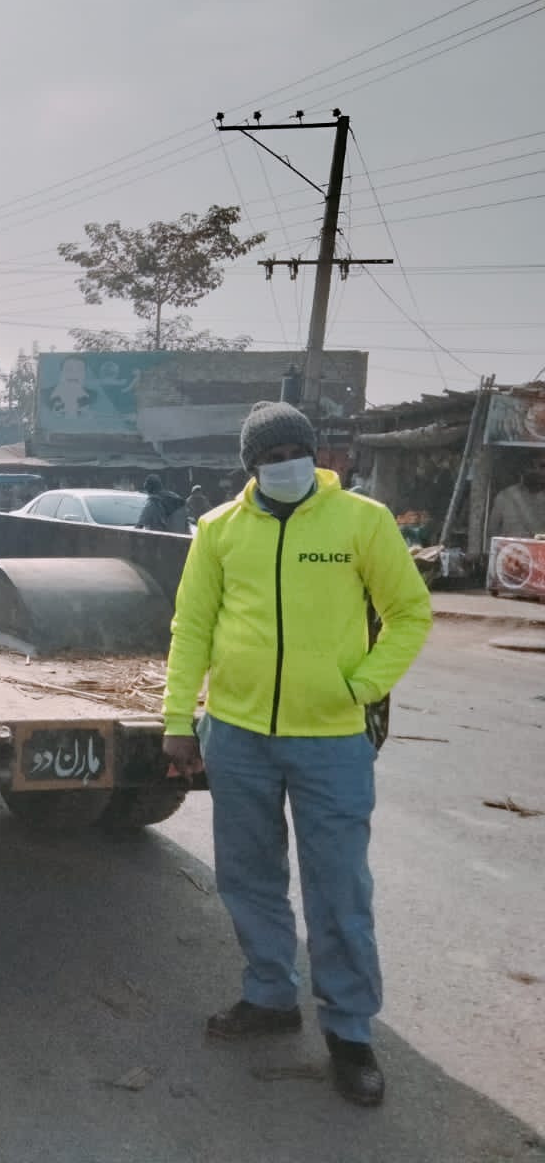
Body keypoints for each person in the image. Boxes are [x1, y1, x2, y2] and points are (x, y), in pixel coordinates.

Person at [161, 401, 432, 1108]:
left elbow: (410, 613)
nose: (284, 460)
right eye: (269, 452)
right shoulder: (219, 530)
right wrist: (177, 720)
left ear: (315, 454)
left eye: (293, 448)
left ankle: (349, 1033)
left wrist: (363, 685)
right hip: (237, 733)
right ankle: (270, 995)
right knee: (248, 875)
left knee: (339, 889)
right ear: (250, 465)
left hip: (332, 741)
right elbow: (191, 626)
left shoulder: (362, 522)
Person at [490, 453, 545, 543]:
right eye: (531, 466)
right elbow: (492, 532)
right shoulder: (504, 496)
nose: (536, 471)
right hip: (509, 552)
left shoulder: (507, 495)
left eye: (542, 467)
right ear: (522, 470)